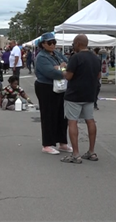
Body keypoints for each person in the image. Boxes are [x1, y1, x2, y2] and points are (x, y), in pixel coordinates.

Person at [60, 34, 101, 163]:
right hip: (89, 94)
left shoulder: (75, 57)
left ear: (77, 43)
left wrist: (62, 69)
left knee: (72, 122)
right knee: (90, 120)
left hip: (74, 95)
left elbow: (68, 76)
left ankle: (75, 154)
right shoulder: (95, 58)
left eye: (73, 43)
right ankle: (91, 151)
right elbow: (99, 76)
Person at [34, 32, 71, 155]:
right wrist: (62, 69)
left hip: (60, 87)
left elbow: (68, 65)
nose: (52, 45)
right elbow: (51, 72)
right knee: (48, 115)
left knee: (62, 115)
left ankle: (62, 142)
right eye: (49, 43)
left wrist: (60, 68)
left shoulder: (57, 54)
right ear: (43, 44)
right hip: (46, 87)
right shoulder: (41, 57)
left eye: (54, 42)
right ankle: (47, 144)